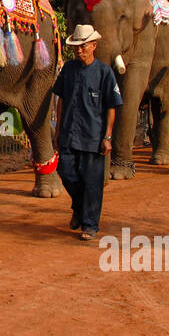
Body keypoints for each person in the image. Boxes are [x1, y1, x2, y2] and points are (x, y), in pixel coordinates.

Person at [51, 24, 122, 239]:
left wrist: (108, 136)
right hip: (69, 134)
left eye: (83, 46)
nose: (79, 51)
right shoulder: (69, 70)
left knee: (92, 183)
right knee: (66, 172)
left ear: (94, 45)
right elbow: (61, 100)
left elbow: (111, 106)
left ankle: (89, 225)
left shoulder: (104, 73)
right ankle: (80, 208)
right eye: (76, 47)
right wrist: (58, 129)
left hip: (93, 137)